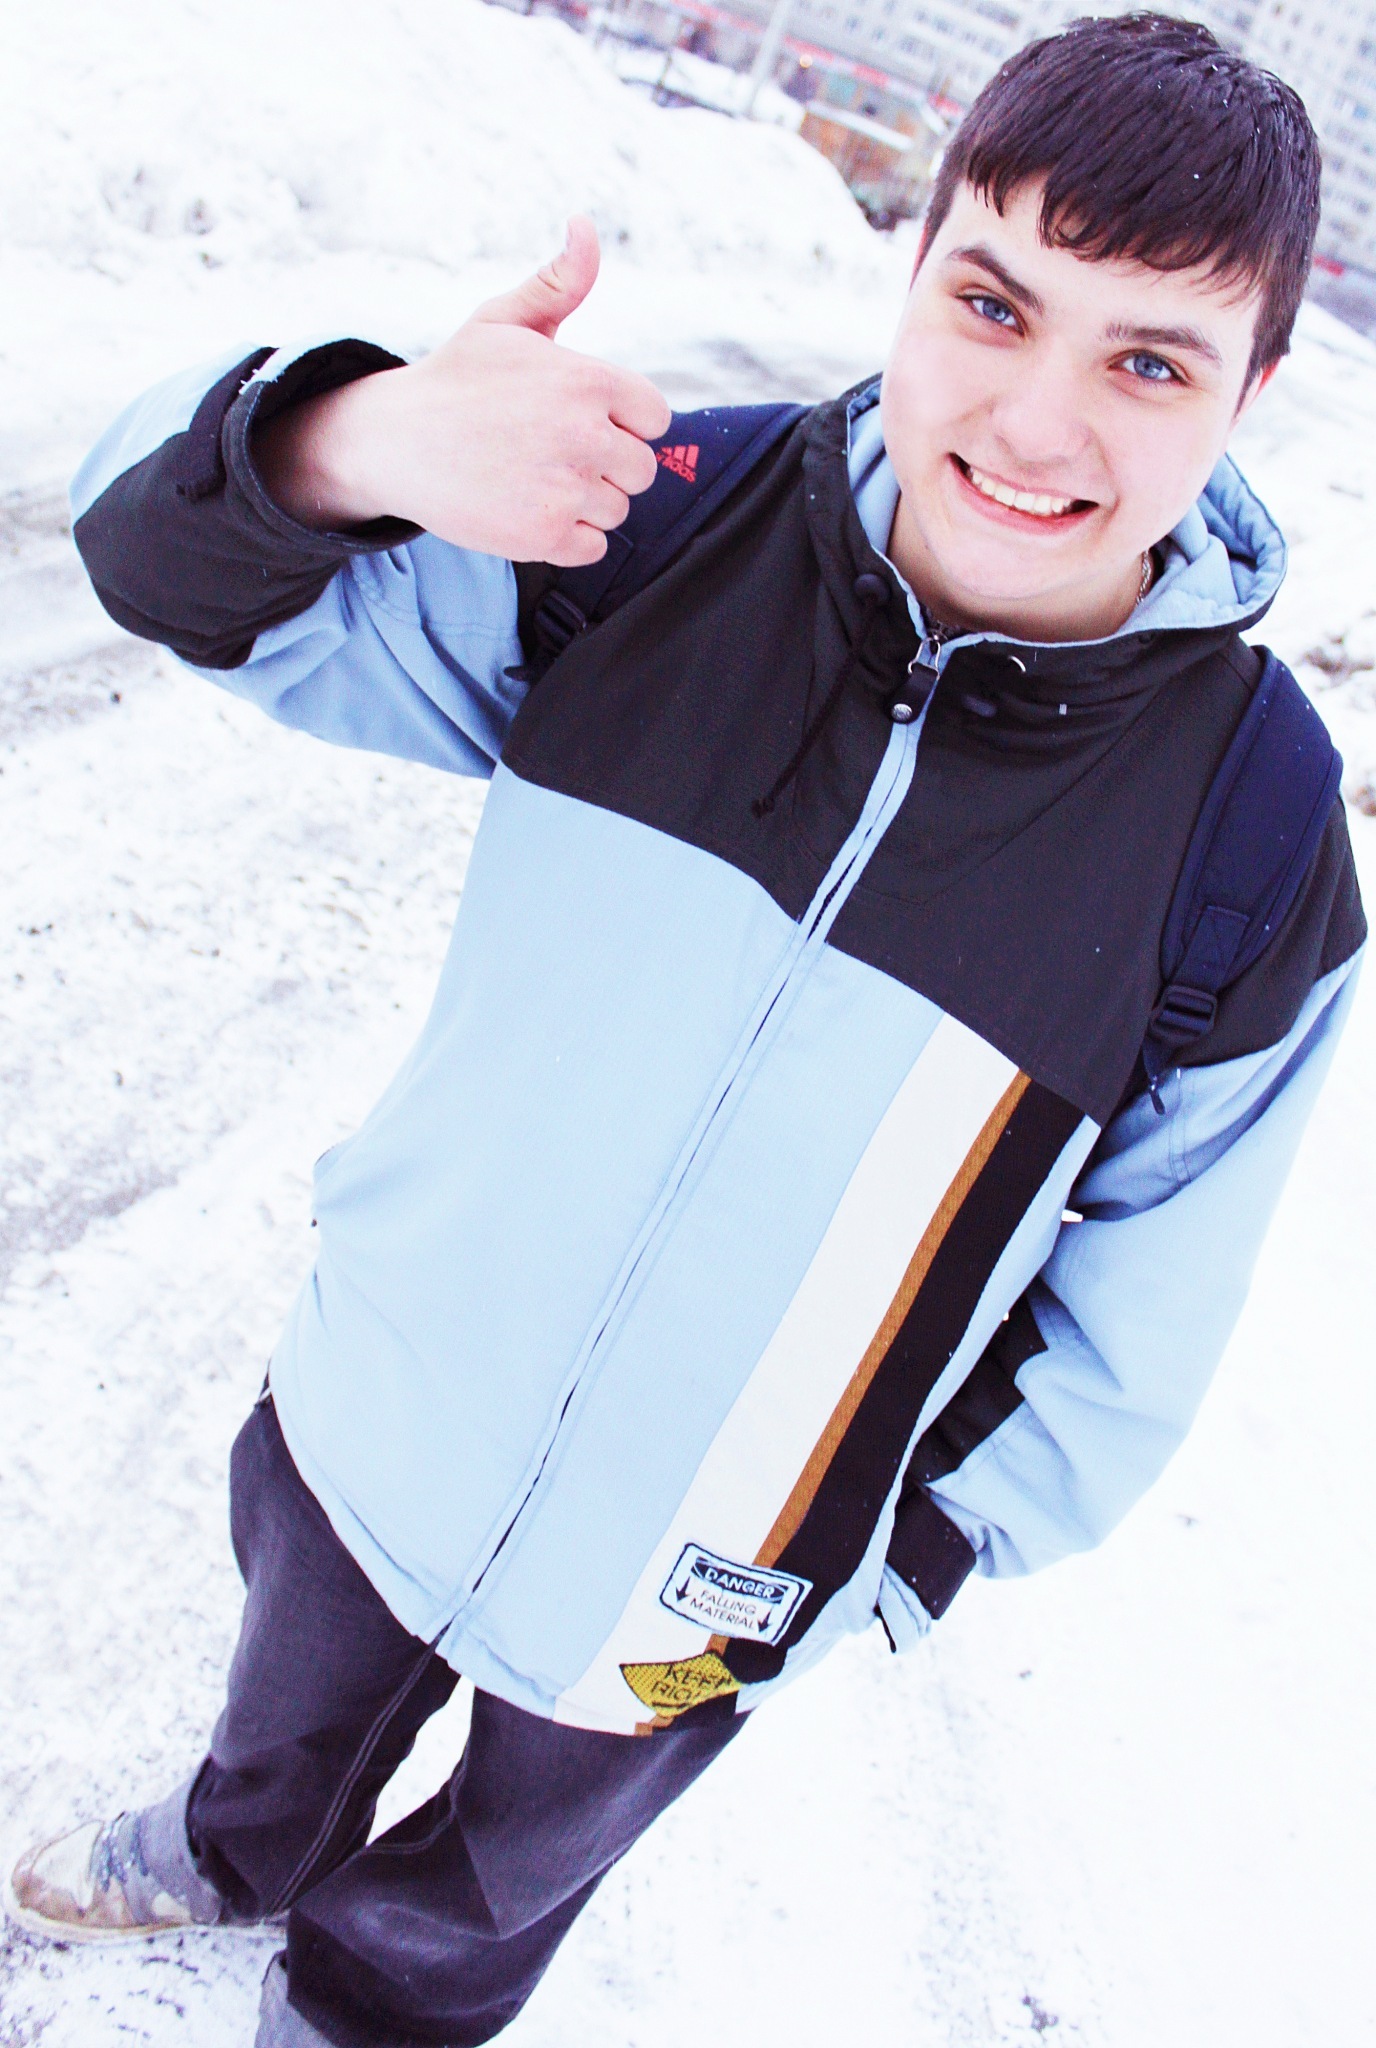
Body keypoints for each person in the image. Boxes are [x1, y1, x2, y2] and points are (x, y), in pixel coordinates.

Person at [7, 13, 1366, 2045]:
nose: (1036, 421)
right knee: (285, 1697)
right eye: (994, 303)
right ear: (913, 262)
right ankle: (234, 1843)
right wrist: (352, 444)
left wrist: (883, 1555)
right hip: (386, 1399)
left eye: (1150, 363)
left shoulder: (1250, 838)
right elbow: (160, 566)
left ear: (1252, 392)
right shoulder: (659, 527)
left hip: (702, 1578)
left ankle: (365, 2010)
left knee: (497, 1881)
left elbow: (1143, 1305)